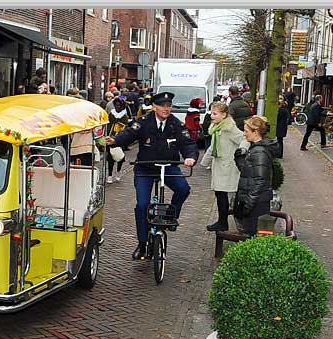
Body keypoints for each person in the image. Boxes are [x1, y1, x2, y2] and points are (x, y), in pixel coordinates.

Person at [105, 92, 198, 260]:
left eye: (169, 106)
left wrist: (190, 157)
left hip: (168, 166)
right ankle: (141, 244)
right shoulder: (144, 122)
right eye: (163, 106)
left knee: (183, 189)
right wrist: (115, 140)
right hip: (145, 168)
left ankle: (171, 216)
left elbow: (187, 142)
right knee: (142, 205)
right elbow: (129, 133)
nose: (166, 109)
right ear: (155, 107)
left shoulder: (175, 124)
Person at [200, 102, 250, 232]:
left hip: (227, 167)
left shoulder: (229, 129)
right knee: (219, 194)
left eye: (215, 113)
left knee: (222, 195)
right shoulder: (217, 128)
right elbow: (213, 147)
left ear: (223, 115)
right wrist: (204, 162)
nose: (212, 116)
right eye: (211, 113)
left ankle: (223, 222)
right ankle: (222, 221)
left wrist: (243, 150)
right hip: (220, 166)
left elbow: (244, 138)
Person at [233, 115, 280, 237]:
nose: (244, 134)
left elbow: (260, 180)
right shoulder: (257, 149)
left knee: (253, 233)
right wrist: (240, 159)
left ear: (256, 132)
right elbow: (250, 173)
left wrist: (249, 203)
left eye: (246, 131)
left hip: (257, 203)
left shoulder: (259, 151)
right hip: (255, 200)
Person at [106, 97, 129, 183]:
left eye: (119, 105)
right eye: (116, 105)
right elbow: (109, 123)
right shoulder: (111, 113)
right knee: (110, 157)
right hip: (111, 136)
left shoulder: (124, 115)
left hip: (120, 137)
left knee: (119, 156)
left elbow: (125, 126)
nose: (117, 107)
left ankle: (118, 171)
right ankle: (110, 175)